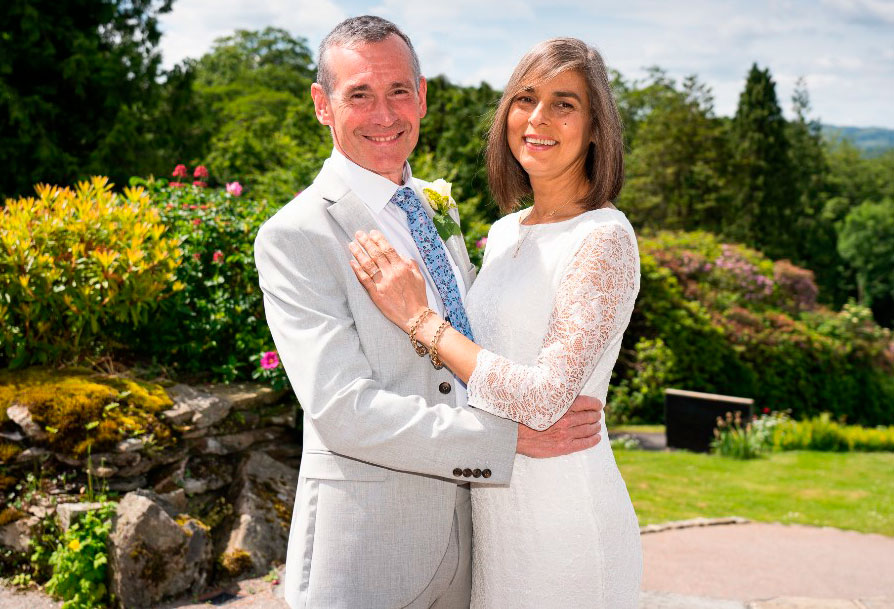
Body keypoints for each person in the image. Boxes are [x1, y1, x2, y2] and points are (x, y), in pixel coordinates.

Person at [254, 17, 605, 609]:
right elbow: (346, 411)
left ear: (422, 97)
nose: (384, 114)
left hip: (476, 539)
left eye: (397, 92)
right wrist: (507, 439)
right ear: (322, 104)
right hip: (368, 549)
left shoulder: (437, 210)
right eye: (358, 94)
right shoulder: (296, 234)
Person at [350, 38, 642, 608]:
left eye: (565, 103)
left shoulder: (603, 239)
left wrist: (420, 320)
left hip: (565, 517)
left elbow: (543, 401)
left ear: (597, 127)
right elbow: (489, 367)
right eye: (525, 98)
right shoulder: (507, 231)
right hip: (498, 513)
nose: (538, 118)